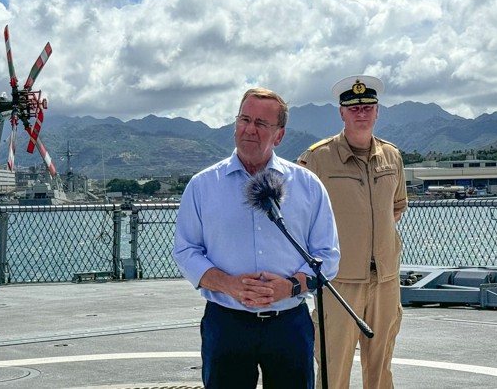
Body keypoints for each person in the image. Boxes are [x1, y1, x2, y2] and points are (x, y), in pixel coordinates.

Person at [173, 88, 340, 388]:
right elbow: (186, 251)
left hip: (289, 322)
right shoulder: (202, 185)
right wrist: (230, 285)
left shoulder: (308, 186)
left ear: (279, 135)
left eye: (261, 124)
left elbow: (327, 256)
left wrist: (288, 288)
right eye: (244, 119)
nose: (250, 129)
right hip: (227, 323)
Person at [297, 75, 408, 389]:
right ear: (341, 113)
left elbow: (396, 207)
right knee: (335, 367)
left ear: (377, 111)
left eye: (368, 106)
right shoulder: (317, 158)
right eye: (354, 107)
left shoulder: (392, 156)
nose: (361, 112)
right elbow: (299, 216)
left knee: (381, 367)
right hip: (339, 282)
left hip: (385, 280)